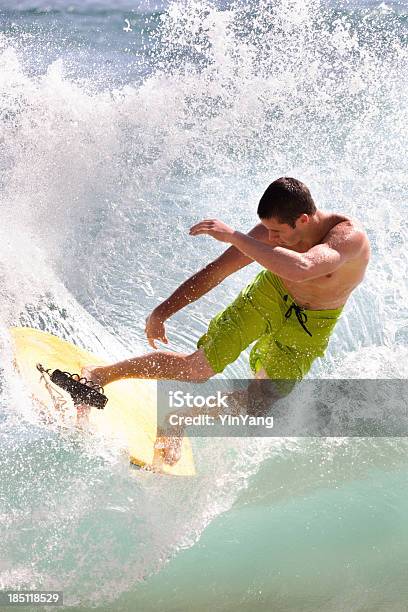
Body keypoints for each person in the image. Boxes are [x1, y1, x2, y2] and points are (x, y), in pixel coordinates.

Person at [80, 177, 370, 464]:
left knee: (259, 404)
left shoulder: (347, 238)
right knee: (196, 369)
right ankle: (99, 376)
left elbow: (304, 267)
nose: (271, 239)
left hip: (313, 323)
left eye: (277, 232)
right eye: (267, 230)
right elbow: (217, 271)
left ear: (304, 220)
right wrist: (162, 311)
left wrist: (234, 236)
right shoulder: (272, 232)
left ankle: (179, 419)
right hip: (270, 295)